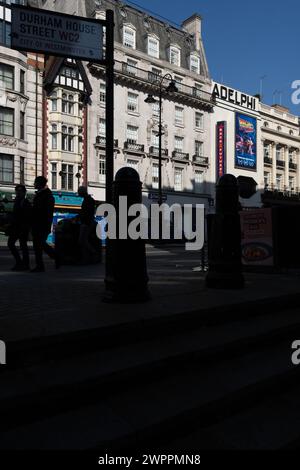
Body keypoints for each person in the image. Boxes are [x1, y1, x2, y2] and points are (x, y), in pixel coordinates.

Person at [31, 176, 56, 273]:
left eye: (35, 182)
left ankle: (53, 258)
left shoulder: (47, 196)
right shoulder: (41, 195)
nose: (34, 184)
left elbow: (45, 212)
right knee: (39, 245)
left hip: (42, 225)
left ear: (40, 184)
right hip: (38, 224)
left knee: (39, 245)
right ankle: (41, 264)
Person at [7, 184, 31, 271]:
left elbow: (27, 216)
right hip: (16, 227)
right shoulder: (17, 201)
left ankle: (23, 264)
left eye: (20, 191)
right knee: (15, 244)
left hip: (22, 228)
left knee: (21, 245)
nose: (18, 193)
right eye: (17, 191)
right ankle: (21, 263)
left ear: (24, 192)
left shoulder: (25, 202)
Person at [77, 186, 96, 264]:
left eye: (79, 192)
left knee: (82, 241)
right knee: (83, 241)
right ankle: (86, 258)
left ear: (82, 192)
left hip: (86, 223)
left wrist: (80, 218)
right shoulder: (88, 200)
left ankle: (93, 253)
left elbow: (86, 212)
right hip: (87, 222)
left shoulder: (88, 200)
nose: (78, 194)